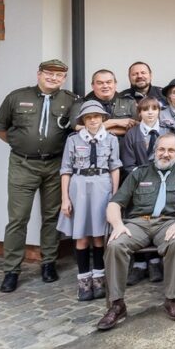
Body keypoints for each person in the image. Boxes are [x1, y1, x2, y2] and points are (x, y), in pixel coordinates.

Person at [0, 59, 80, 293]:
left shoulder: (70, 100)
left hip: (55, 165)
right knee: (18, 218)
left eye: (59, 76)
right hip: (23, 164)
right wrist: (22, 145)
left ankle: (48, 263)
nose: (53, 78)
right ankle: (11, 270)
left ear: (64, 79)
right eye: (49, 74)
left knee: (51, 216)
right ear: (39, 74)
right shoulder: (17, 96)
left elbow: (77, 128)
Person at [96, 133, 175, 330]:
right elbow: (115, 203)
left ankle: (172, 299)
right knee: (115, 245)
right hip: (138, 224)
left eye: (170, 150)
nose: (165, 154)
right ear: (155, 151)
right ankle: (117, 305)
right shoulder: (139, 173)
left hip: (167, 223)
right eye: (161, 149)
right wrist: (117, 225)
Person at [58, 100, 122, 301]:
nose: (93, 120)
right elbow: (66, 169)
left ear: (103, 118)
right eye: (88, 117)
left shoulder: (111, 139)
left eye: (96, 116)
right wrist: (65, 198)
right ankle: (84, 280)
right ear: (83, 120)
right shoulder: (74, 140)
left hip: (102, 186)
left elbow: (115, 167)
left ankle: (99, 277)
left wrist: (115, 195)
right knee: (82, 236)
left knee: (98, 235)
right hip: (79, 186)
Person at [121, 97, 168, 175]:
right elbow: (128, 165)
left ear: (159, 111)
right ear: (139, 113)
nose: (150, 113)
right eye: (145, 110)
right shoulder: (131, 134)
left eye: (154, 109)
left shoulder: (168, 131)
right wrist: (142, 178)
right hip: (141, 180)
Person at [83, 69, 137, 136]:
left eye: (109, 82)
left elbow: (137, 128)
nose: (105, 86)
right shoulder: (83, 103)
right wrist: (116, 122)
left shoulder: (129, 102)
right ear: (92, 85)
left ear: (115, 84)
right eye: (100, 83)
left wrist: (95, 129)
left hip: (123, 145)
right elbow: (77, 127)